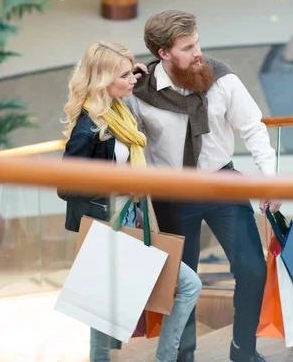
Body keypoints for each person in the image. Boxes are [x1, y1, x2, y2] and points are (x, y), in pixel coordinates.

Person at [126, 10, 282, 362]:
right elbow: (123, 136)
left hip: (221, 184)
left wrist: (269, 179)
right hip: (171, 194)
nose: (198, 52)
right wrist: (121, 83)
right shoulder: (141, 91)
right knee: (185, 282)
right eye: (187, 47)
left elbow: (254, 128)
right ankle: (186, 354)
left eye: (197, 42)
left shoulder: (221, 78)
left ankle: (244, 350)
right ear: (163, 53)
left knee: (252, 268)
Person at [59, 40, 202, 362]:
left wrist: (132, 71)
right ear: (102, 81)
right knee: (105, 312)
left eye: (132, 73)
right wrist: (120, 186)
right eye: (126, 75)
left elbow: (127, 83)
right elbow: (66, 187)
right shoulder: (87, 130)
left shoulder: (118, 111)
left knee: (107, 308)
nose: (133, 80)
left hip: (130, 219)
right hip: (109, 226)